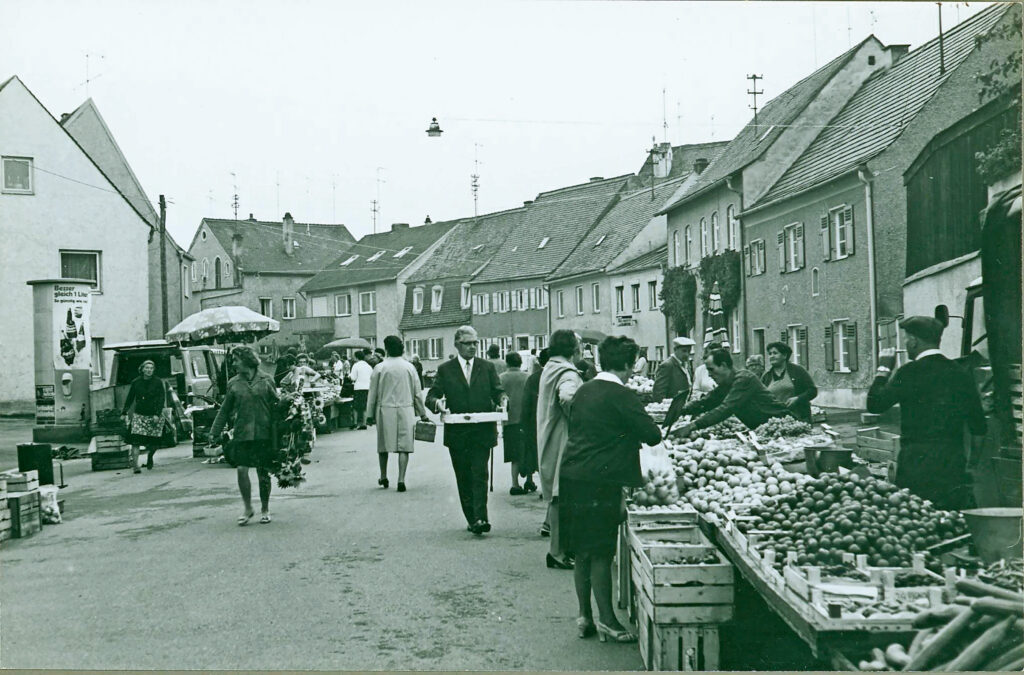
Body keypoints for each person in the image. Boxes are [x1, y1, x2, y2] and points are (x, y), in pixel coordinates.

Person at [561, 336, 662, 643]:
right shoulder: (623, 394)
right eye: (633, 365)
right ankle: (608, 621)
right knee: (602, 552)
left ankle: (584, 616)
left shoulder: (584, 390)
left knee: (581, 551)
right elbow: (652, 435)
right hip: (600, 480)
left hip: (572, 476)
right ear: (629, 365)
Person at [867, 316, 986, 510]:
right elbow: (979, 427)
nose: (905, 344)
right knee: (951, 521)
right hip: (952, 462)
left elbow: (875, 405)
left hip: (916, 463)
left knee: (917, 520)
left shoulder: (908, 372)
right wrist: (971, 464)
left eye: (906, 339)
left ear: (914, 340)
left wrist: (883, 370)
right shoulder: (960, 372)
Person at [426, 326, 506, 535]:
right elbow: (432, 396)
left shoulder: (487, 367)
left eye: (475, 343)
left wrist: (502, 400)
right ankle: (471, 517)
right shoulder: (445, 369)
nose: (472, 347)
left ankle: (481, 518)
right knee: (464, 476)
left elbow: (498, 391)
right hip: (458, 433)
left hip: (482, 431)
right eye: (467, 343)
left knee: (480, 474)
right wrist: (438, 404)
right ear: (457, 344)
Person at [210, 346, 280, 525]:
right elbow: (225, 409)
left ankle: (265, 508)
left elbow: (276, 406)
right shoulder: (234, 383)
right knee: (242, 469)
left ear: (247, 360)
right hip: (242, 432)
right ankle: (248, 507)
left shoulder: (266, 380)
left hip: (264, 432)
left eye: (236, 360)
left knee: (263, 472)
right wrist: (214, 431)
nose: (233, 363)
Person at [538, 330, 584, 569]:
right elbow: (567, 397)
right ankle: (558, 552)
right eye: (580, 344)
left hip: (550, 437)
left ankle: (558, 550)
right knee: (561, 496)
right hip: (564, 440)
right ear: (572, 348)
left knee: (557, 496)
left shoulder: (550, 367)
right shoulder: (567, 373)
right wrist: (581, 416)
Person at [664, 348, 790, 435]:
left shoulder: (744, 379)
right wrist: (680, 410)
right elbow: (708, 401)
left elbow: (726, 408)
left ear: (724, 365)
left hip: (782, 427)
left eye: (712, 369)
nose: (710, 374)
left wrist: (692, 426)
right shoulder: (727, 383)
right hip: (764, 430)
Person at [366, 336, 429, 492]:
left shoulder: (380, 368)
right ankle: (401, 479)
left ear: (386, 348)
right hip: (405, 409)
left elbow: (372, 393)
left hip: (384, 409)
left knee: (383, 445)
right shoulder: (409, 367)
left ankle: (383, 476)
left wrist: (369, 414)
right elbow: (417, 393)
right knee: (404, 446)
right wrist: (422, 414)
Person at [121, 360, 169, 473]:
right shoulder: (136, 382)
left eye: (151, 368)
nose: (149, 370)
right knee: (135, 441)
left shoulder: (157, 382)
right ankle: (135, 466)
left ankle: (150, 456)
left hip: (154, 415)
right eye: (146, 368)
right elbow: (130, 398)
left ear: (153, 370)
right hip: (139, 415)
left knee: (154, 443)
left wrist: (157, 414)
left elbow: (161, 399)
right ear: (142, 369)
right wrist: (124, 412)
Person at [762, 342, 818, 422]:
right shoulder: (767, 376)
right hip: (776, 420)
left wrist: (798, 398)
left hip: (799, 418)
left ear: (784, 355)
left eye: (775, 353)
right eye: (770, 354)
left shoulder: (797, 371)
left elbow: (812, 391)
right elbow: (761, 397)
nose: (772, 356)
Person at [500, 352, 530, 495]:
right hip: (526, 419)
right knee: (528, 449)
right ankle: (529, 480)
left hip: (509, 420)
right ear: (520, 363)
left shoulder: (501, 378)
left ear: (507, 363)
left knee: (514, 453)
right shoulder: (527, 377)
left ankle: (515, 483)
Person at [519, 349, 548, 497]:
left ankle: (530, 479)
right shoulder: (555, 377)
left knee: (533, 451)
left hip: (533, 421)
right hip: (549, 421)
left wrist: (523, 422)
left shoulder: (533, 378)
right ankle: (546, 487)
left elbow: (526, 403)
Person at [652, 337, 695, 402]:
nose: (686, 354)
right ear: (675, 350)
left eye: (688, 351)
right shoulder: (668, 365)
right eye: (684, 351)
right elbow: (659, 392)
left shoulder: (685, 365)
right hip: (672, 407)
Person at [350, 351, 374, 430]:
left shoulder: (355, 365)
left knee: (356, 407)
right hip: (367, 387)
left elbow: (353, 378)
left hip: (358, 387)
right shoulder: (368, 366)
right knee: (364, 406)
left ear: (356, 357)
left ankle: (355, 423)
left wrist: (349, 377)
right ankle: (364, 423)